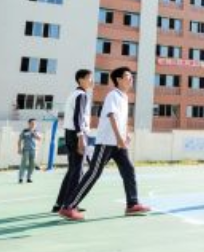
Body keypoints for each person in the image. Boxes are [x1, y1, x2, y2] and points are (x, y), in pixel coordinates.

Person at [58, 67, 150, 221]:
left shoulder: (124, 97)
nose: (131, 79)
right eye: (128, 76)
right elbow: (111, 116)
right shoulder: (113, 95)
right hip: (107, 142)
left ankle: (132, 204)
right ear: (118, 79)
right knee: (94, 173)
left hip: (118, 144)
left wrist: (125, 134)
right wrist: (119, 138)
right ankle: (68, 207)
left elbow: (122, 119)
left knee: (128, 169)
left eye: (132, 77)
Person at [52, 69, 94, 213]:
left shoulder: (73, 94)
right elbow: (78, 117)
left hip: (70, 133)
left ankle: (60, 203)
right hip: (77, 134)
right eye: (89, 78)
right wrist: (81, 137)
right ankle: (69, 205)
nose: (92, 81)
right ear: (81, 80)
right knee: (77, 171)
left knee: (73, 170)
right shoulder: (81, 95)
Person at [18, 118, 41, 183]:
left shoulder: (36, 131)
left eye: (34, 123)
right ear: (29, 124)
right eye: (32, 123)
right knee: (24, 164)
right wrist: (19, 148)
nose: (33, 125)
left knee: (32, 165)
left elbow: (39, 138)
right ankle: (21, 178)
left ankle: (29, 178)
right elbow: (20, 140)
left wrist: (33, 132)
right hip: (26, 150)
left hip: (33, 150)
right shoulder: (25, 131)